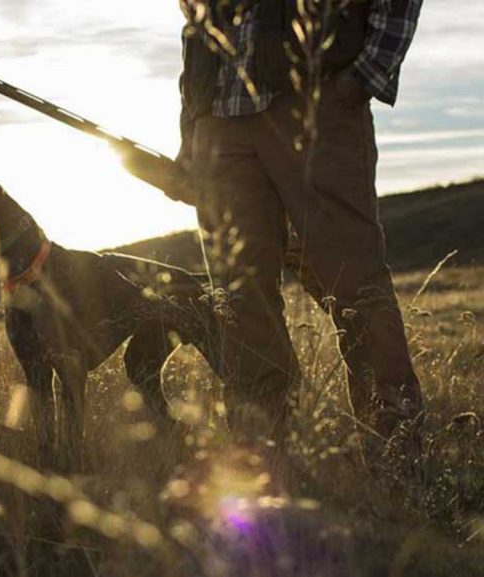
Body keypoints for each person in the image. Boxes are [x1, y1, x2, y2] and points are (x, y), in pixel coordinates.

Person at [173, 0, 425, 450]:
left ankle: (395, 451)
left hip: (316, 104)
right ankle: (266, 455)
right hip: (220, 117)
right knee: (240, 297)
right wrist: (193, 124)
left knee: (354, 283)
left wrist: (364, 77)